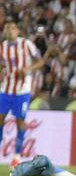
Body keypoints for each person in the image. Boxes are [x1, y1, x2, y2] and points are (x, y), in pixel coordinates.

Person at [0, 21, 45, 167]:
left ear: (17, 31)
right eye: (7, 28)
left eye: (12, 28)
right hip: (5, 89)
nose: (9, 30)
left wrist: (27, 69)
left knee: (20, 121)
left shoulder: (26, 44)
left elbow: (41, 61)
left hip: (22, 90)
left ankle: (16, 157)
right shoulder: (2, 47)